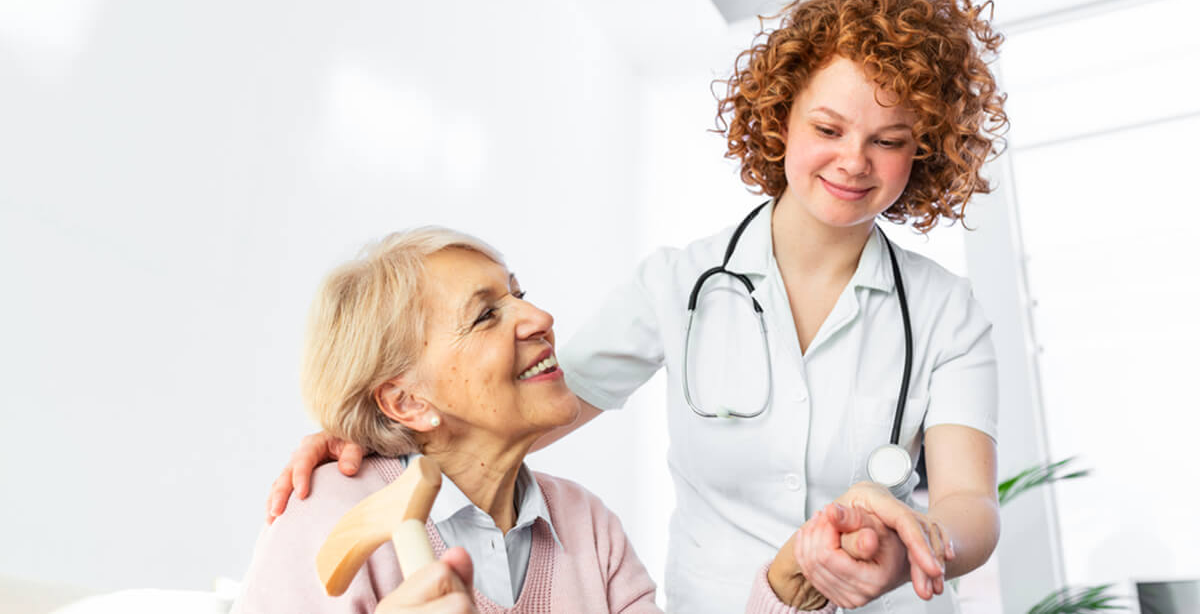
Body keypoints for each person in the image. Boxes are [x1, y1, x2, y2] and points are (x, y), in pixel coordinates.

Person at [267, 0, 1007, 613]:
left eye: (891, 139)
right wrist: (376, 438)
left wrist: (923, 539)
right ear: (782, 118)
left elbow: (969, 504)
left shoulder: (945, 313)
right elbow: (520, 402)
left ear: (925, 149)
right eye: (829, 126)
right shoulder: (678, 286)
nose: (855, 160)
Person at [233, 227, 846, 613]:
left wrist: (784, 590)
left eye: (518, 295)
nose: (540, 316)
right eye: (485, 316)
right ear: (407, 402)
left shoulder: (587, 527)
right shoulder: (326, 517)